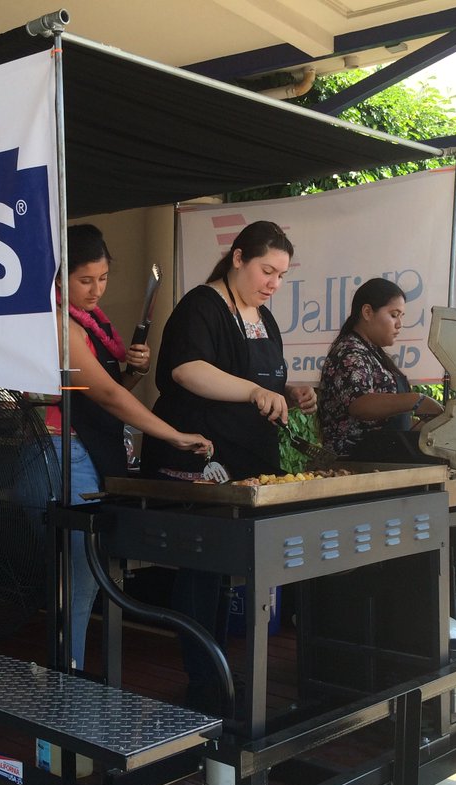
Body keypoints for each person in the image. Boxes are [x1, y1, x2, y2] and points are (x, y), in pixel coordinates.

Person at [140, 220, 316, 712]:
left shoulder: (264, 318)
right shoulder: (201, 306)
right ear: (238, 257)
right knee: (202, 569)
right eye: (266, 270)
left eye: (281, 275)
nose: (273, 283)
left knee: (222, 572)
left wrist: (286, 394)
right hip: (199, 459)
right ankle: (202, 680)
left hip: (246, 464)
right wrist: (257, 390)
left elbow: (260, 383)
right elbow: (187, 369)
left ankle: (216, 670)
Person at [47, 223, 212, 670]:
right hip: (66, 452)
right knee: (78, 580)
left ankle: (70, 672)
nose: (96, 290)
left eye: (102, 279)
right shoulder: (60, 326)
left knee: (84, 579)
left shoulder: (92, 325)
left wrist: (135, 372)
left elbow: (113, 390)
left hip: (90, 449)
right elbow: (107, 397)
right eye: (85, 280)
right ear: (59, 279)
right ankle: (69, 679)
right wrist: (172, 433)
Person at [318, 277, 443, 456]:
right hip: (353, 464)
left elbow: (390, 422)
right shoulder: (349, 351)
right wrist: (416, 400)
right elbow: (360, 405)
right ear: (368, 312)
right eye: (393, 315)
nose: (399, 324)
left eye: (401, 316)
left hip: (382, 458)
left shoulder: (373, 352)